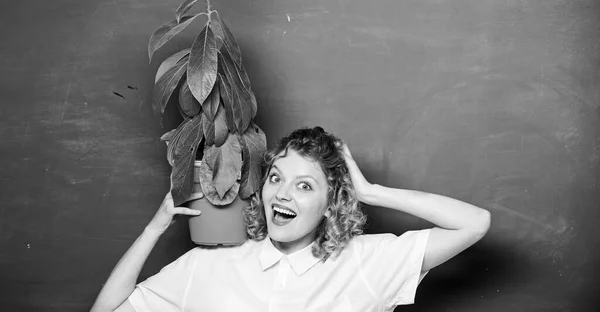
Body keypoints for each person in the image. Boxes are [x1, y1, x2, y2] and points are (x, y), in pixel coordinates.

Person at [91, 126, 491, 312]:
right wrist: (155, 227)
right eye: (277, 178)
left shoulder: (367, 262)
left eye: (304, 186)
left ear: (331, 202)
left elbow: (474, 223)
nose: (282, 192)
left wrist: (371, 193)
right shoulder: (210, 263)